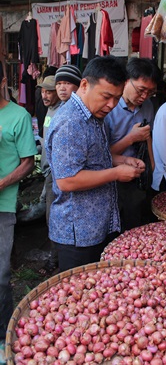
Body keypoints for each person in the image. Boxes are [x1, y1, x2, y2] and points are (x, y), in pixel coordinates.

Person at [46, 56, 145, 272]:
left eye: (117, 98)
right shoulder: (71, 123)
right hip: (78, 234)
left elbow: (94, 157)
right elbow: (67, 180)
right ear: (84, 85)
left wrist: (123, 160)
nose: (111, 105)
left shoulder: (93, 116)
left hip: (96, 226)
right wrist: (116, 173)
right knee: (78, 298)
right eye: (106, 96)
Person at [0, 63, 37, 362]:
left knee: (0, 275)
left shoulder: (18, 116)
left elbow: (28, 162)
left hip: (1, 206)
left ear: (2, 80)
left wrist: (1, 183)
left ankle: (2, 336)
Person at [104, 57, 161, 231]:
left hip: (136, 177)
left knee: (134, 225)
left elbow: (147, 136)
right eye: (141, 90)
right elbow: (101, 154)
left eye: (150, 93)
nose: (144, 97)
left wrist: (152, 165)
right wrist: (131, 138)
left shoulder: (148, 106)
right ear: (127, 81)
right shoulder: (108, 108)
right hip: (110, 177)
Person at [38, 66, 82, 274]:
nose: (47, 94)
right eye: (58, 84)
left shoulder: (68, 114)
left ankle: (56, 261)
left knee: (58, 218)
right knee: (52, 218)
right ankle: (56, 259)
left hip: (62, 175)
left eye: (65, 84)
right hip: (50, 173)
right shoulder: (50, 109)